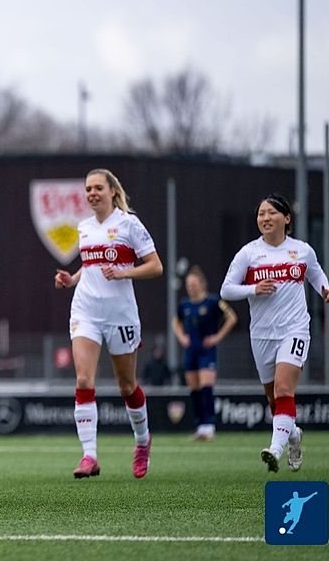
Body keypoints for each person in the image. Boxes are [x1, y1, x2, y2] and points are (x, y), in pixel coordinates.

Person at [54, 169, 163, 480]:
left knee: (126, 386)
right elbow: (90, 265)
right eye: (88, 188)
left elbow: (156, 266)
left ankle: (142, 441)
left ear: (113, 191)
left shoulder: (129, 224)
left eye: (98, 188)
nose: (92, 193)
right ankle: (89, 455)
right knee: (83, 380)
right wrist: (71, 279)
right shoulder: (84, 226)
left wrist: (124, 272)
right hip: (86, 310)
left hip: (120, 314)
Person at [220, 193, 329, 472]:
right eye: (261, 213)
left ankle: (274, 449)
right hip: (261, 335)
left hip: (295, 329)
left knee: (284, 389)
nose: (265, 218)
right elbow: (226, 290)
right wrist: (254, 288)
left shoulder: (302, 250)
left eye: (271, 212)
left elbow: (316, 274)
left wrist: (326, 290)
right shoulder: (248, 253)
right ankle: (293, 435)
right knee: (274, 400)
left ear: (286, 218)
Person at [172, 265, 237, 441]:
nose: (191, 287)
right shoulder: (184, 304)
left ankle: (210, 426)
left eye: (193, 284)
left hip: (206, 351)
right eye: (188, 285)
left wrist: (217, 337)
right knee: (194, 390)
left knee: (206, 387)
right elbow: (175, 322)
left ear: (201, 283)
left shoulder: (213, 301)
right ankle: (200, 426)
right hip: (191, 351)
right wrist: (181, 337)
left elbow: (232, 318)